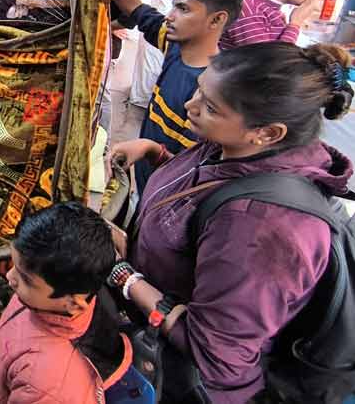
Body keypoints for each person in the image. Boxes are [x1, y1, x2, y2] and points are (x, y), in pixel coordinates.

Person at [106, 42, 353, 403]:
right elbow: (206, 195)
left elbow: (216, 356)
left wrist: (121, 274)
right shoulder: (236, 145)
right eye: (200, 90)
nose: (190, 106)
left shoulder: (263, 230)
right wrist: (156, 153)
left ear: (268, 133)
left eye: (209, 107)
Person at [58, 0, 243, 193]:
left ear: (217, 20)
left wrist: (150, 150)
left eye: (184, 9)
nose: (171, 15)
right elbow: (138, 10)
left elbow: (198, 167)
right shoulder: (174, 46)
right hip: (146, 180)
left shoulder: (215, 87)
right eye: (174, 6)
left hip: (170, 193)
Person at [0, 203, 131, 404]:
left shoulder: (51, 386)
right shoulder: (46, 299)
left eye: (25, 279)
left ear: (73, 305)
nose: (9, 277)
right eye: (14, 265)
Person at [100, 0, 134, 135]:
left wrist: (104, 26)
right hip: (102, 41)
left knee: (101, 94)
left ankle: (103, 140)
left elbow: (131, 19)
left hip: (109, 46)